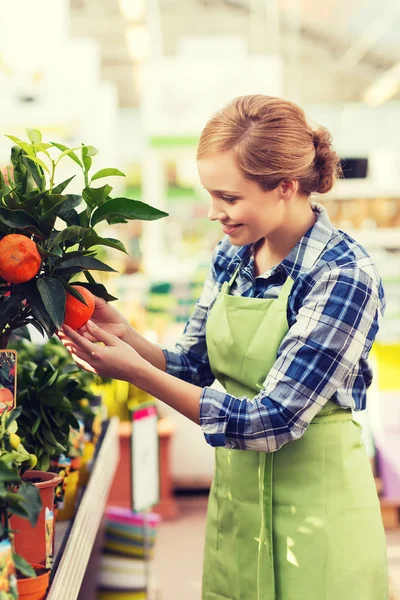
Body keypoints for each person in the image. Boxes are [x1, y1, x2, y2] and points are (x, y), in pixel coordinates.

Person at [60, 95, 389, 600]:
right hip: (238, 505)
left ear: (285, 186)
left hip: (319, 515)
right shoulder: (233, 255)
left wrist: (138, 375)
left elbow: (272, 420)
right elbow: (193, 365)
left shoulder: (342, 275)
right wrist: (127, 336)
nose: (215, 213)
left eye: (228, 198)